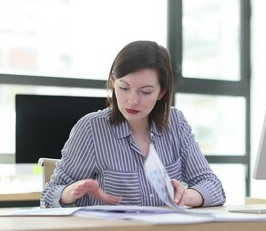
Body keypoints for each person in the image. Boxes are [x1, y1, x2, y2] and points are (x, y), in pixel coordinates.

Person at [41, 41, 226, 208]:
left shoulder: (175, 122)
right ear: (113, 82)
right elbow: (48, 197)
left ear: (161, 92)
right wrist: (70, 192)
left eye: (145, 91)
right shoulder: (91, 129)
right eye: (123, 88)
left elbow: (212, 185)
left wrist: (186, 196)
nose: (132, 101)